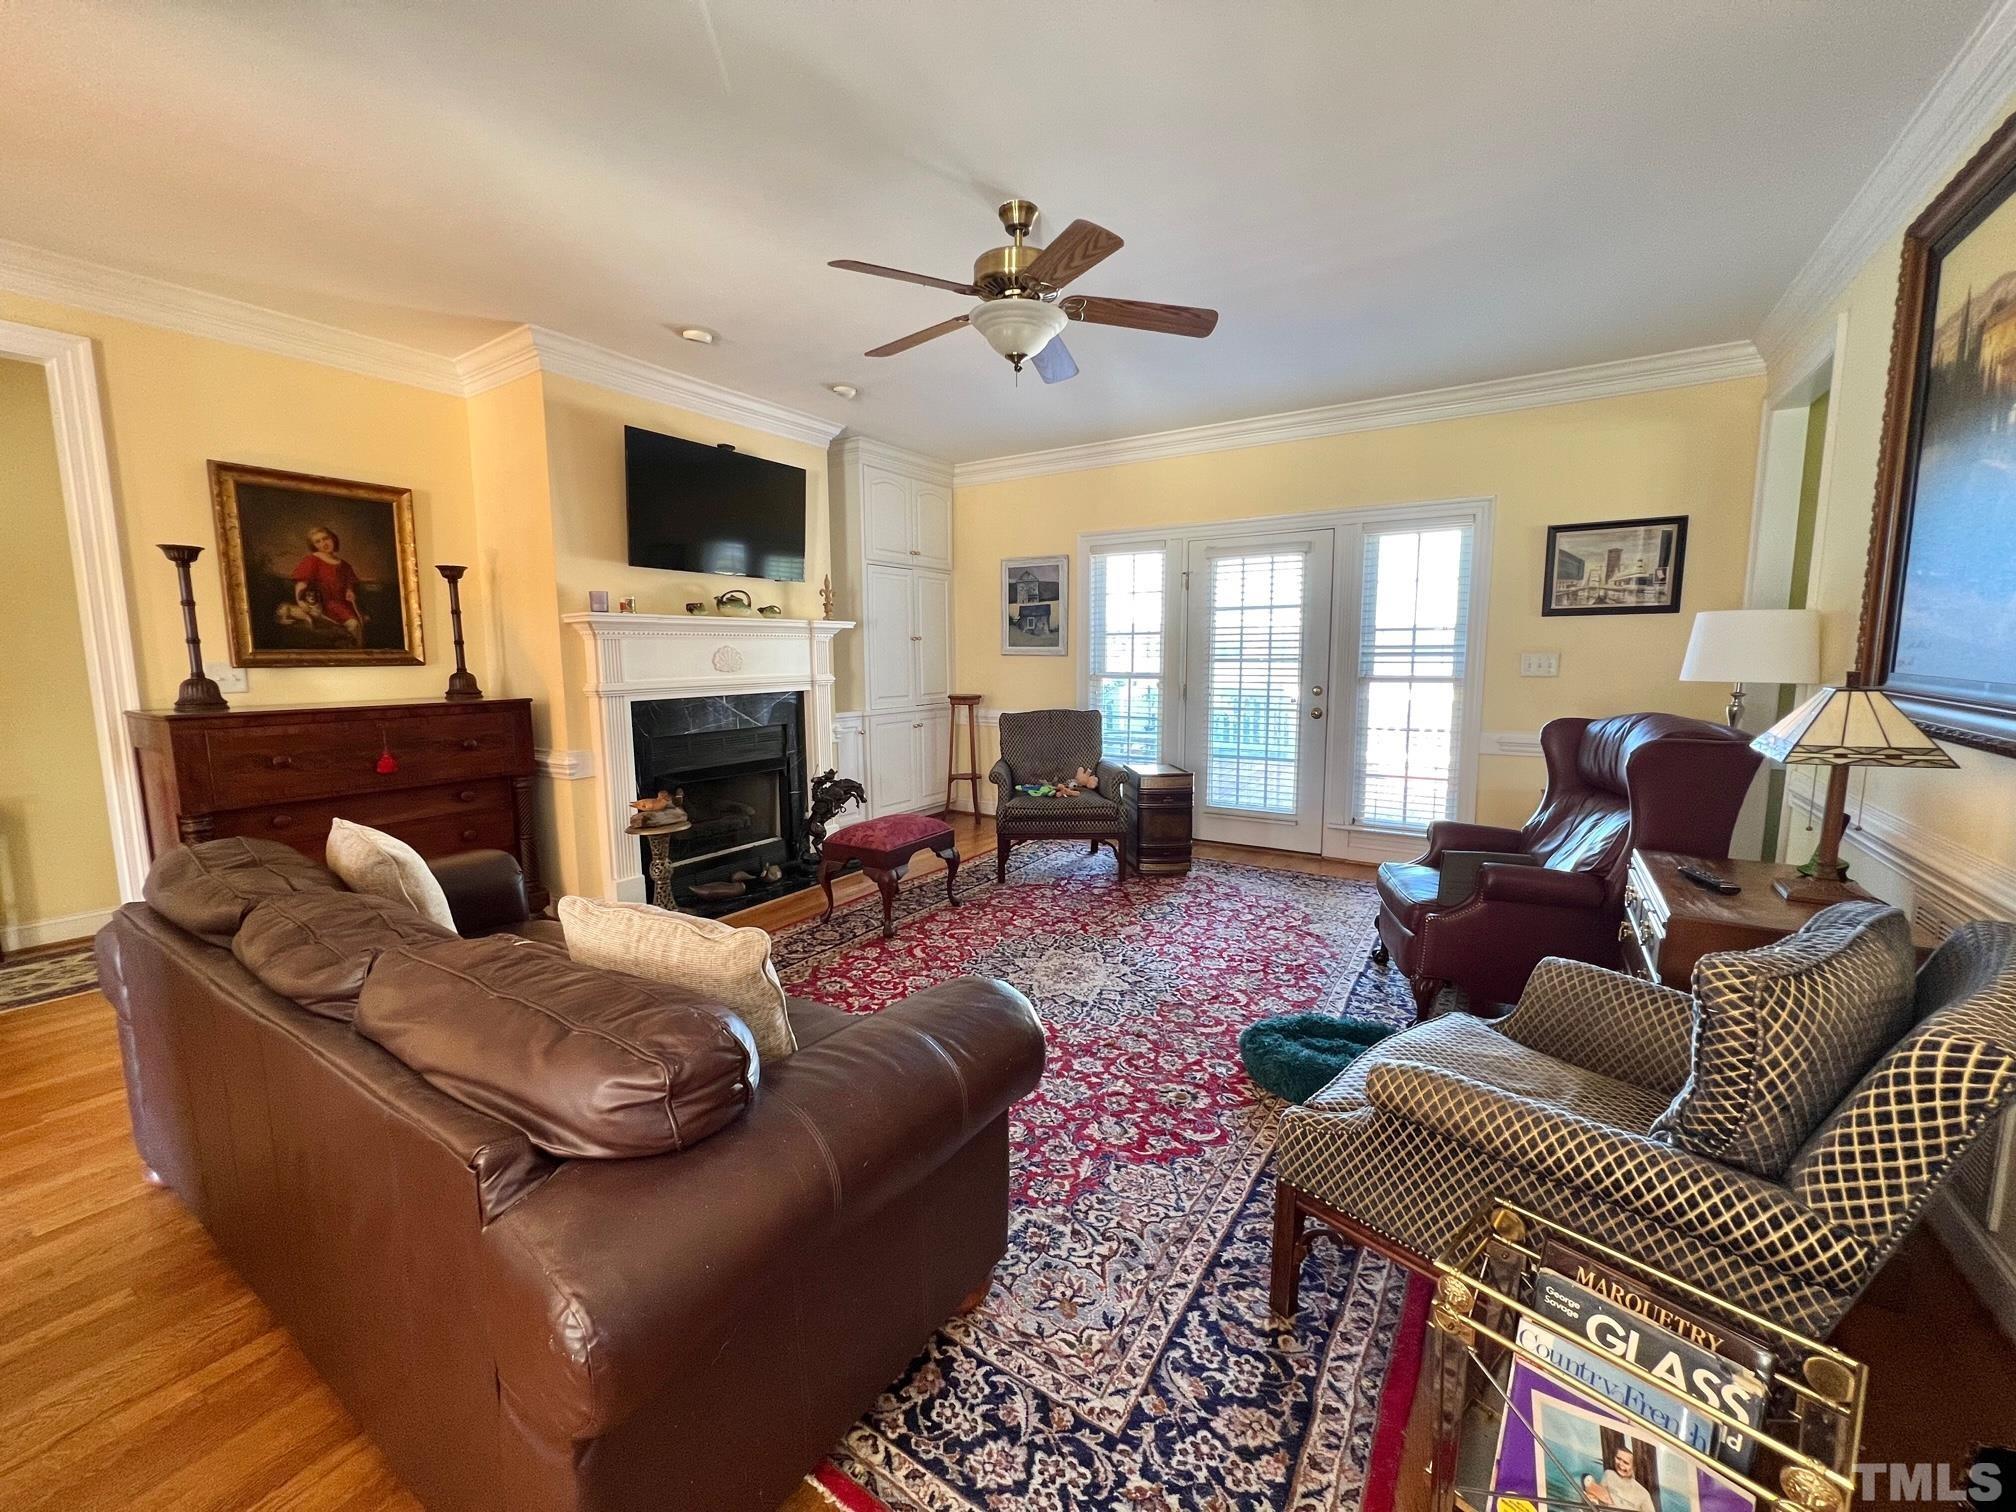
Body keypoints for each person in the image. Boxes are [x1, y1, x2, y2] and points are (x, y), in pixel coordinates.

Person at [290, 525, 365, 645]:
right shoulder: (312, 560)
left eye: (325, 538)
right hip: (323, 603)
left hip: (342, 603)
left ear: (333, 539)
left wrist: (349, 591)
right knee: (353, 624)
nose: (323, 543)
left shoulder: (344, 565)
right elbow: (301, 583)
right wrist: (301, 602)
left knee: (358, 624)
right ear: (314, 546)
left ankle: (357, 654)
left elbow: (349, 582)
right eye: (318, 541)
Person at [1582, 1444, 1655, 1512]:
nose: (1620, 1464)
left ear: (1633, 1468)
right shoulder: (1609, 1475)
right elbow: (1601, 1499)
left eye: (1626, 1463)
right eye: (1618, 1458)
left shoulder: (1643, 1494)